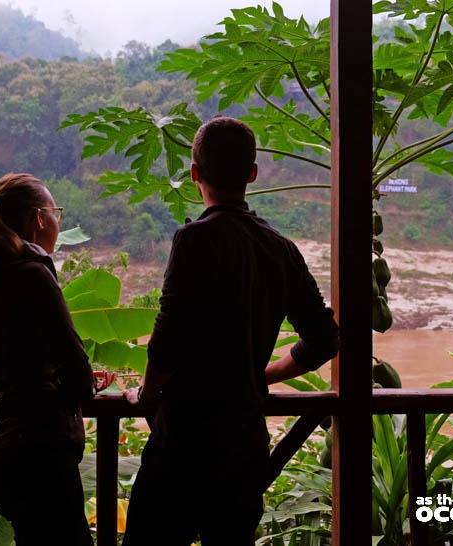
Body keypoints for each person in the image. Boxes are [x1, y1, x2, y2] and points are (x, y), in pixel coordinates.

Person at [121, 116, 340, 546]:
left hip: (184, 444)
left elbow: (167, 340)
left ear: (195, 174)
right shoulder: (280, 250)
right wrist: (261, 375)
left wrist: (146, 395)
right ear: (252, 175)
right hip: (243, 447)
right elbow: (324, 340)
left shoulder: (193, 240)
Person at [0, 173, 97, 545]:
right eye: (56, 212)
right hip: (42, 454)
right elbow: (76, 368)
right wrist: (83, 384)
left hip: (3, 452)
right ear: (39, 219)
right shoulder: (32, 274)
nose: (58, 222)